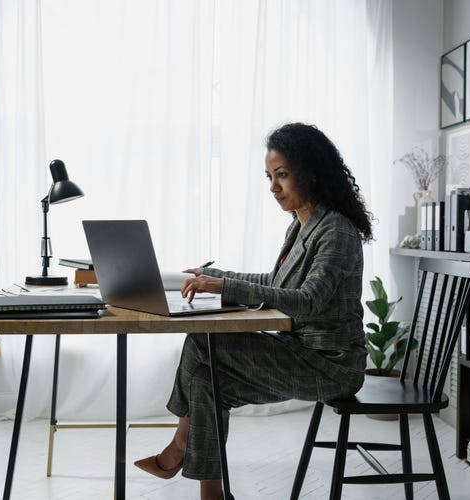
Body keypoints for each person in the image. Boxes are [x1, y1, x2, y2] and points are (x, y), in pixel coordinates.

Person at [133, 122, 374, 500]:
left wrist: (225, 287)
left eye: (282, 176)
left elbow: (308, 301)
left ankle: (178, 449)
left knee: (202, 342)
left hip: (331, 366)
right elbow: (278, 281)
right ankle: (211, 494)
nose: (274, 188)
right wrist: (217, 275)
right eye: (269, 177)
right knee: (206, 383)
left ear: (310, 172)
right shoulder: (301, 226)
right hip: (300, 352)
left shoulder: (336, 232)